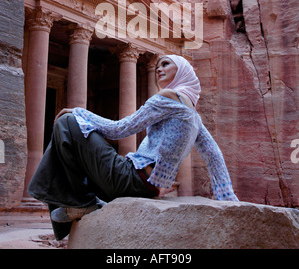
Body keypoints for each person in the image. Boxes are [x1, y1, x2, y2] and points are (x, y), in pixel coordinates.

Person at [28, 54, 238, 240]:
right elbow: (214, 156)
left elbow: (120, 129)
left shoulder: (168, 97)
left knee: (67, 123)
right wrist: (229, 199)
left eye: (166, 64)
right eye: (158, 65)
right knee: (74, 129)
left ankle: (81, 202)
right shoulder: (194, 116)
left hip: (128, 179)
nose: (159, 69)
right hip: (146, 188)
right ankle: (82, 202)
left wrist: (78, 112)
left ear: (182, 71)